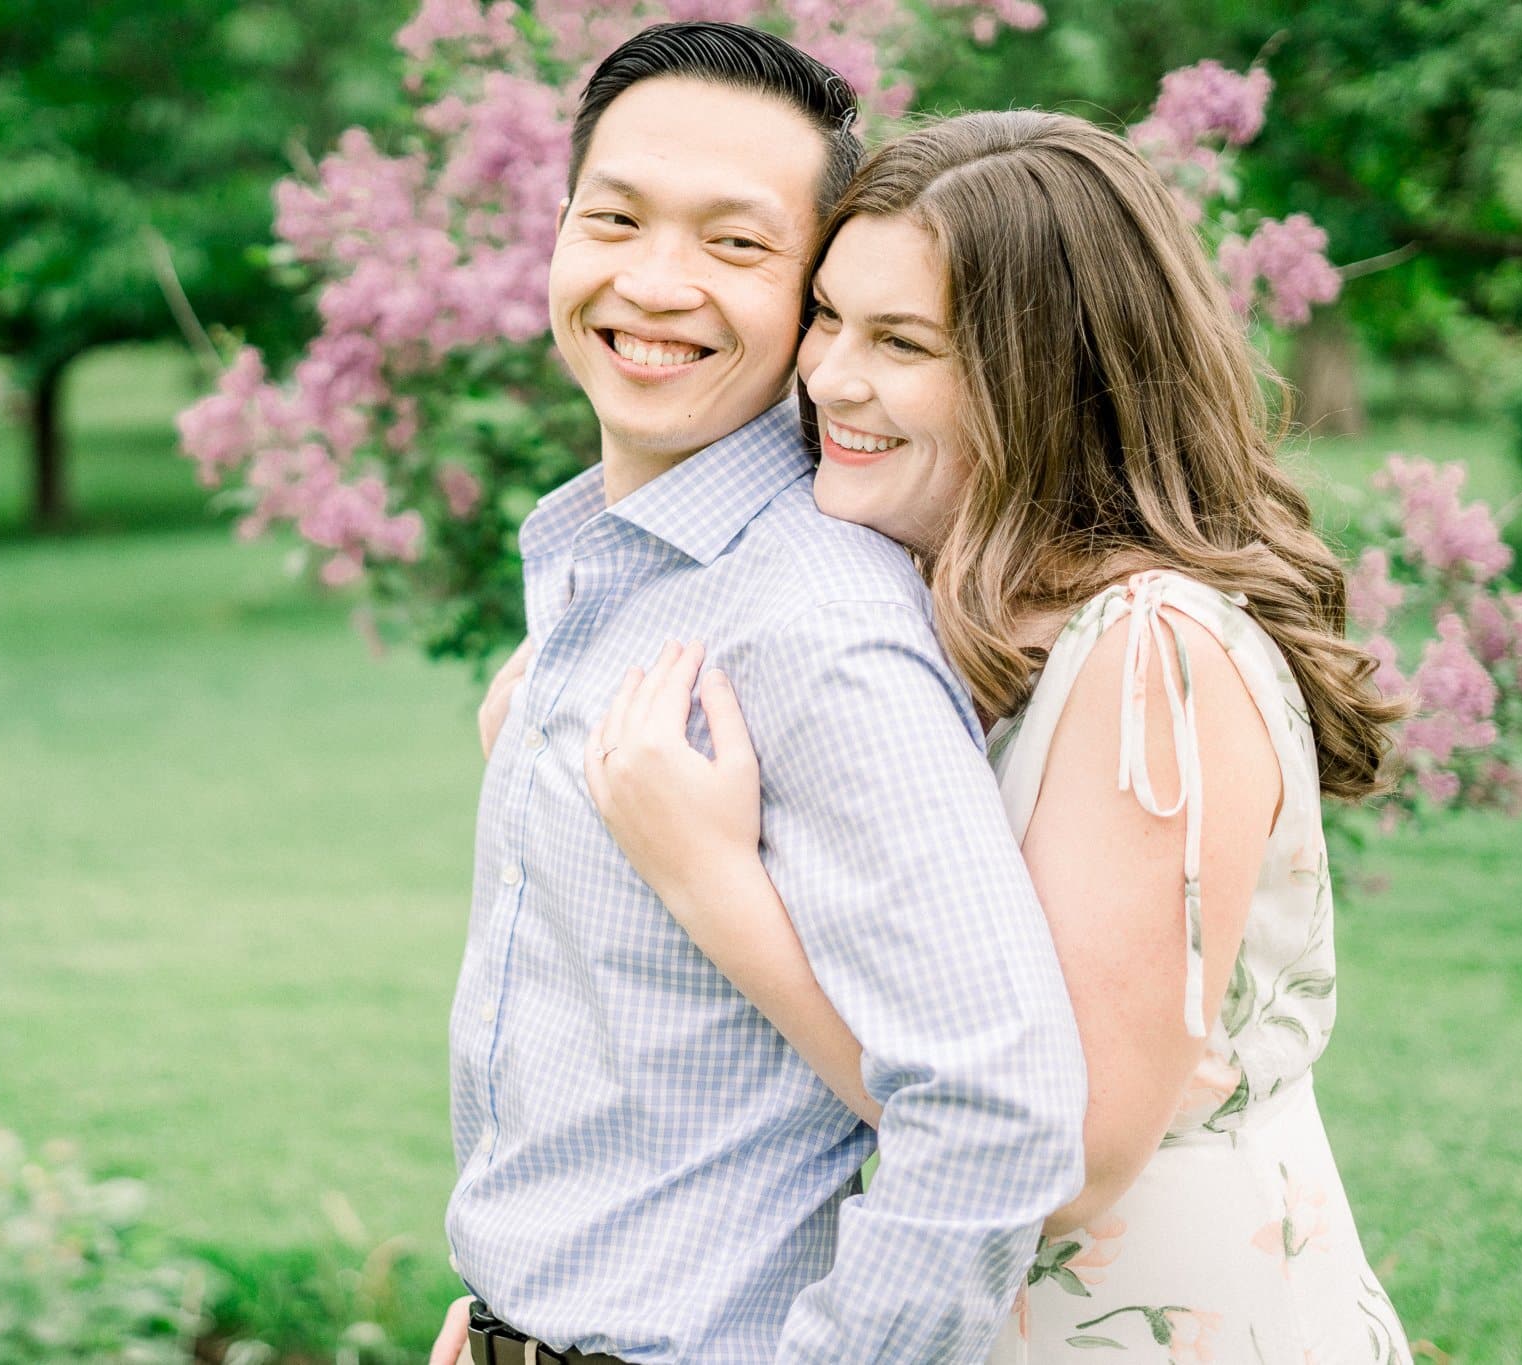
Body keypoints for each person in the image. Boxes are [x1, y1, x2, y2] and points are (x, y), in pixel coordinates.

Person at [577, 112, 1415, 1361]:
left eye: (900, 342)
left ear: (1048, 373)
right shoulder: (932, 600)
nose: (828, 379)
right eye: (827, 317)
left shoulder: (1149, 651)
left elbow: (1060, 1155)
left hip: (1148, 1324)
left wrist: (713, 883)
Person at [434, 22, 1087, 1365]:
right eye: (612, 219)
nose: (655, 282)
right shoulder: (611, 569)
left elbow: (995, 1110)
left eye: (736, 245)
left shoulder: (809, 622)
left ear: (812, 301)